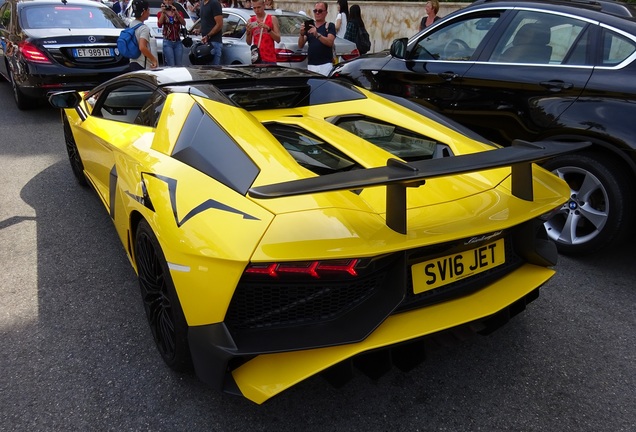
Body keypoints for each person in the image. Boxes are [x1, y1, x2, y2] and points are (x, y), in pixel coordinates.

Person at [298, 2, 335, 76]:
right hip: (311, 65)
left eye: (320, 11)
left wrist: (317, 34)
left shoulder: (329, 26)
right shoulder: (310, 26)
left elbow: (330, 42)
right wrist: (301, 34)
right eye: (315, 11)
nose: (317, 13)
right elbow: (300, 45)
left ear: (326, 13)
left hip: (325, 65)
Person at [245, 0, 280, 64]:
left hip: (270, 59)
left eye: (258, 7)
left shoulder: (272, 18)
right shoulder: (251, 20)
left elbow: (278, 39)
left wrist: (268, 29)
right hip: (257, 58)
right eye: (254, 8)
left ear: (264, 6)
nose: (256, 10)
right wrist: (248, 33)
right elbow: (249, 42)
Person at [129, 0, 159, 70]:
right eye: (148, 10)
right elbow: (142, 47)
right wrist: (153, 59)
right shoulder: (144, 28)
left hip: (132, 61)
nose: (149, 13)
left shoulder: (131, 24)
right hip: (142, 64)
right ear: (144, 12)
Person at [157, 0, 186, 66]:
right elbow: (159, 24)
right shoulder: (160, 13)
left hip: (177, 41)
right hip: (168, 41)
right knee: (171, 64)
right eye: (166, 0)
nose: (168, 2)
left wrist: (176, 12)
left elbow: (184, 23)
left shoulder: (178, 12)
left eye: (169, 0)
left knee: (179, 64)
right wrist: (163, 12)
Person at [199, 0, 223, 65]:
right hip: (205, 43)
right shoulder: (202, 4)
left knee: (213, 71)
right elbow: (205, 20)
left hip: (214, 43)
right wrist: (199, 30)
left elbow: (219, 24)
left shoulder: (214, 3)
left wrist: (208, 36)